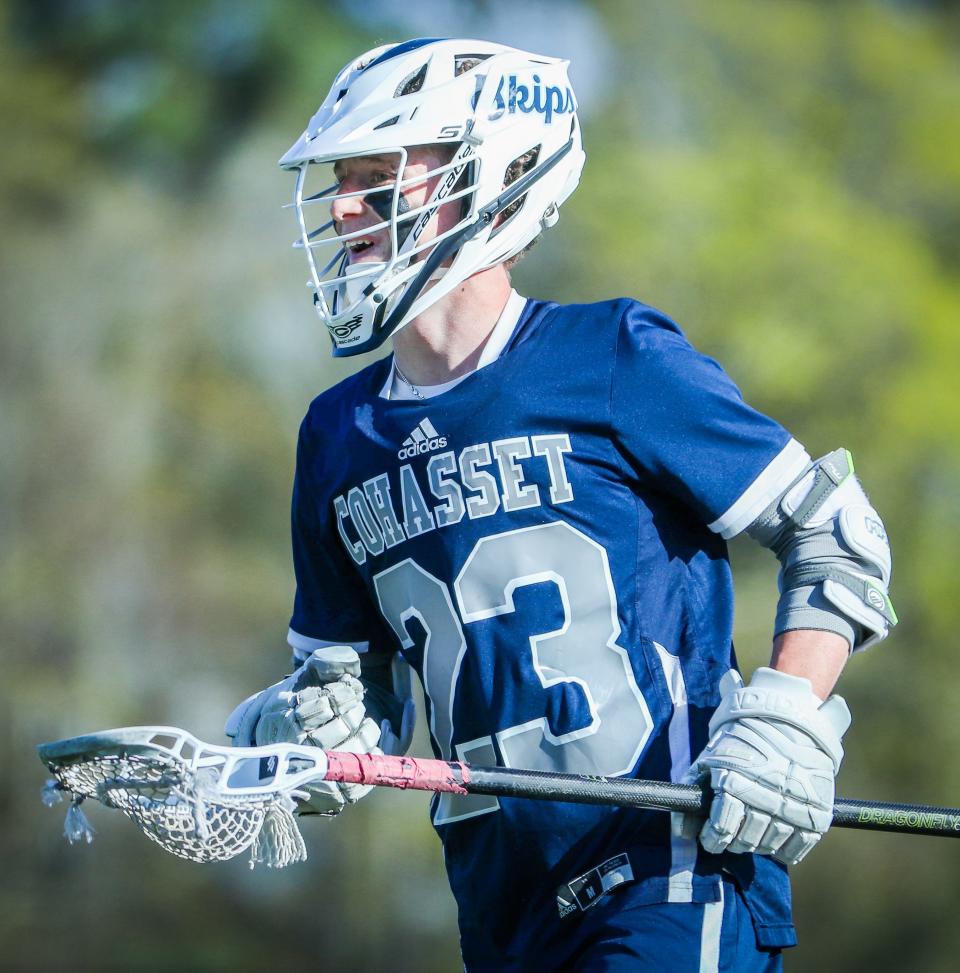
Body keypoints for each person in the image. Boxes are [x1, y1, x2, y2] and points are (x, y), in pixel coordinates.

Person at [225, 38, 896, 972]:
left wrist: (786, 712)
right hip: (502, 908)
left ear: (491, 177)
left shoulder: (612, 357)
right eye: (342, 179)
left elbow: (837, 535)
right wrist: (308, 728)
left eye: (377, 177)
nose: (343, 207)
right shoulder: (334, 438)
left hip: (669, 872)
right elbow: (362, 697)